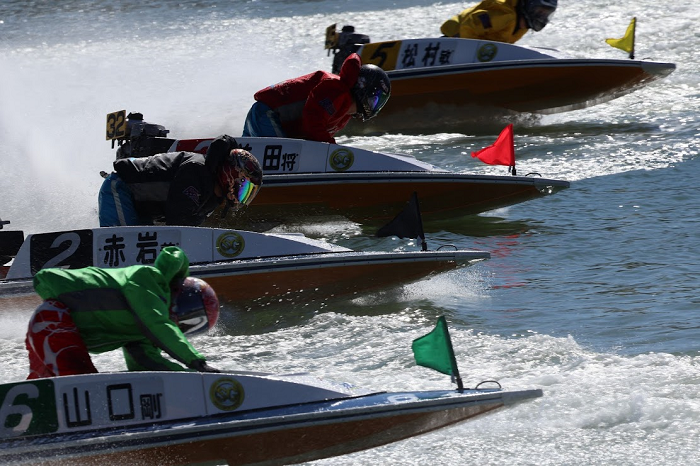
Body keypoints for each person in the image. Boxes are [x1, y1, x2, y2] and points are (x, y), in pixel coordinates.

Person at [25, 246, 221, 379]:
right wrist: (195, 361)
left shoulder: (144, 333)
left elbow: (147, 364)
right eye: (188, 318)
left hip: (53, 329)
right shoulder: (148, 281)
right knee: (82, 385)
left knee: (46, 394)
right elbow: (157, 323)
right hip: (54, 320)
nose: (180, 324)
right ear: (181, 295)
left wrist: (194, 380)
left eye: (190, 326)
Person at [98, 134, 263, 227]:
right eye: (244, 188)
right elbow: (179, 222)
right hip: (120, 188)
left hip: (141, 208)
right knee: (127, 252)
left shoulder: (213, 195)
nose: (243, 196)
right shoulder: (197, 171)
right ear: (230, 176)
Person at [242, 53, 391, 143]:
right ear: (363, 88)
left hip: (268, 118)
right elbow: (313, 120)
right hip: (267, 114)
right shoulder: (336, 89)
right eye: (375, 99)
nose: (374, 105)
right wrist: (331, 150)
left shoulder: (345, 113)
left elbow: (313, 139)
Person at [440, 0, 558, 44]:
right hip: (451, 42)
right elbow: (469, 26)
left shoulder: (522, 27)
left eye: (546, 13)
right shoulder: (504, 15)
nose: (542, 17)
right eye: (539, 11)